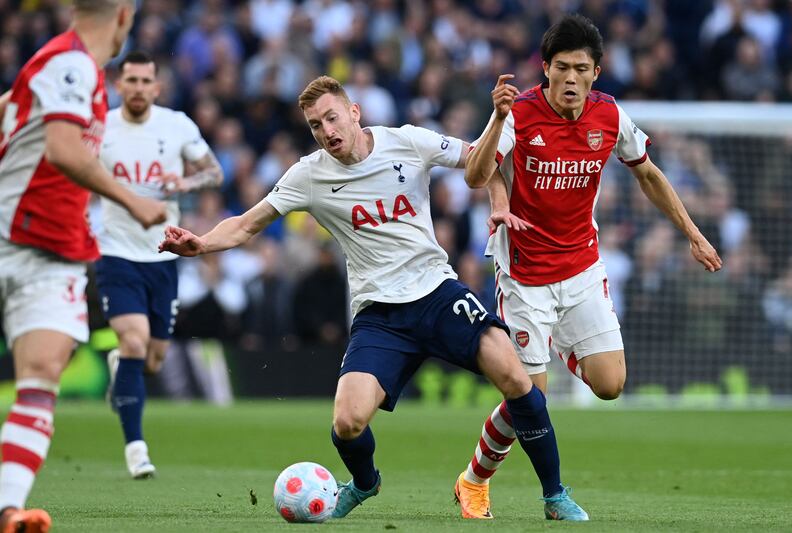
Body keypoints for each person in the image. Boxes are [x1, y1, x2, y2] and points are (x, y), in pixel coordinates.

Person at [160, 76, 588, 521]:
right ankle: (365, 483)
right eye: (315, 126)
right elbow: (249, 223)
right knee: (346, 424)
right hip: (380, 315)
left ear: (354, 112)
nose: (326, 131)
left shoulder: (407, 142)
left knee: (517, 380)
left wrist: (499, 199)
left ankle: (554, 495)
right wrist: (202, 244)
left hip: (438, 292)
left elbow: (482, 160)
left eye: (331, 117)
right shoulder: (310, 174)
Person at [456, 14, 723, 518]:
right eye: (562, 68)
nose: (571, 79)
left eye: (581, 68)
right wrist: (495, 120)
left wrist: (693, 233)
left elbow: (648, 174)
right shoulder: (520, 114)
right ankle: (475, 480)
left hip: (581, 269)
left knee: (610, 385)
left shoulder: (610, 116)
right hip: (525, 277)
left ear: (596, 72)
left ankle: (548, 355)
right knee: (529, 401)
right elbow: (476, 174)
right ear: (545, 69)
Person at [0, 1, 167, 531]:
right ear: (123, 15)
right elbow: (65, 152)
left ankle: (7, 510)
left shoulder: (68, 70)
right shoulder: (70, 65)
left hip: (55, 254)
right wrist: (133, 201)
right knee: (39, 376)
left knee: (43, 374)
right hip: (13, 238)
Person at [97, 50, 223, 479]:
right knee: (133, 343)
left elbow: (214, 172)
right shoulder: (101, 129)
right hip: (115, 252)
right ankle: (136, 449)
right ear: (120, 84)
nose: (137, 89)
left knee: (152, 359)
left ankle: (122, 366)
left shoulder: (176, 125)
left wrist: (184, 181)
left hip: (162, 255)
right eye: (129, 81)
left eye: (144, 81)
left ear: (156, 86)